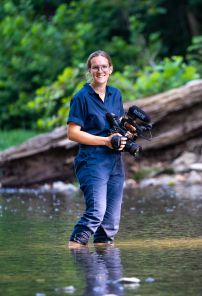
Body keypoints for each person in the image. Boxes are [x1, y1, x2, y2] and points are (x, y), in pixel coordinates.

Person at [67, 50, 127, 248]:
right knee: (95, 213)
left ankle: (104, 269)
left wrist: (128, 135)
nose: (100, 70)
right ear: (90, 71)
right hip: (92, 161)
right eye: (95, 67)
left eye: (104, 66)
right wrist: (105, 141)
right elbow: (73, 133)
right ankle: (74, 252)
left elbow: (117, 127)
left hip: (115, 162)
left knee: (110, 224)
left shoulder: (115, 94)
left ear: (110, 69)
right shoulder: (81, 97)